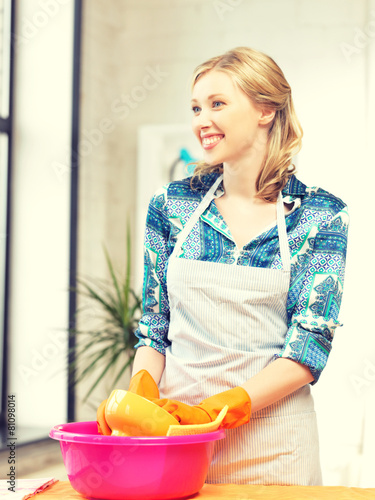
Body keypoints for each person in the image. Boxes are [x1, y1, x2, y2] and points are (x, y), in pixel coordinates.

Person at [98, 47, 349, 485]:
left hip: (274, 447)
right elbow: (155, 325)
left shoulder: (320, 216)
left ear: (265, 110)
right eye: (196, 107)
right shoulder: (172, 205)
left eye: (217, 104)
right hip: (177, 440)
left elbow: (309, 345)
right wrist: (142, 388)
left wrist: (219, 409)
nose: (200, 120)